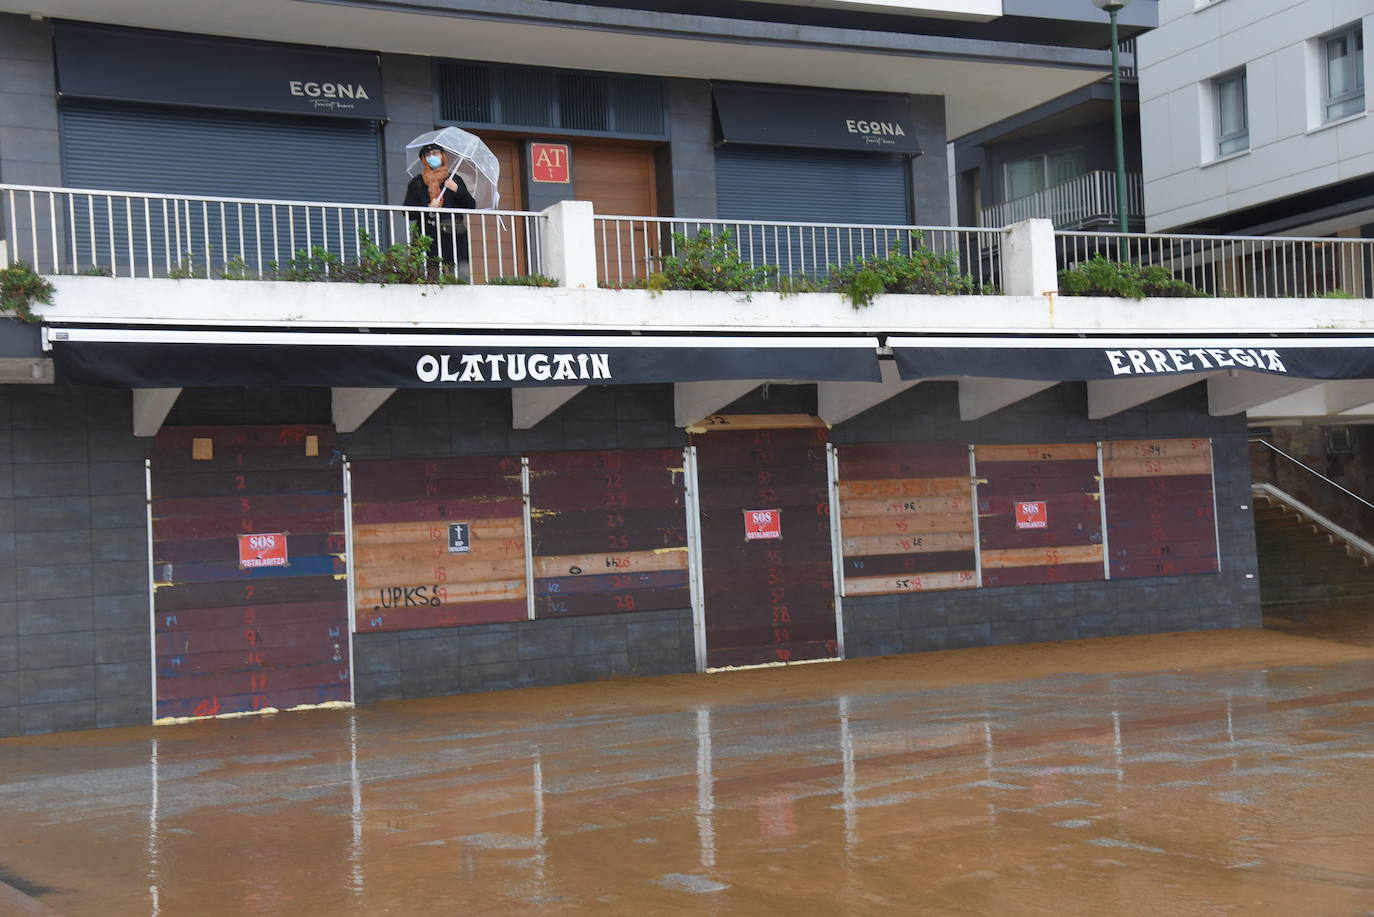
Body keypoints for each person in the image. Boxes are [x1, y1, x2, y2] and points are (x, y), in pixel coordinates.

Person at [404, 143, 477, 277]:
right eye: (428, 155)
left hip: (454, 237)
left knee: (460, 275)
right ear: (423, 159)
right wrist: (427, 207)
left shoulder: (454, 179)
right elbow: (407, 211)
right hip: (428, 237)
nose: (432, 157)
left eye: (436, 153)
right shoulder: (417, 183)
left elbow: (470, 205)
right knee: (430, 276)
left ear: (442, 156)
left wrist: (457, 189)